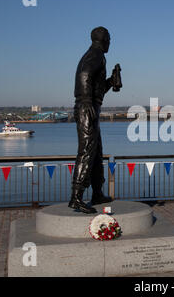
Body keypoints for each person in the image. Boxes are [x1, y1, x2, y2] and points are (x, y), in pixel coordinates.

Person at [69, 26, 122, 214]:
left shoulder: (98, 56)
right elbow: (84, 74)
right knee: (86, 152)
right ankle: (76, 198)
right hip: (87, 108)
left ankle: (97, 192)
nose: (110, 42)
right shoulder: (95, 55)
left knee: (97, 152)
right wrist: (85, 100)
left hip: (91, 107)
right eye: (109, 39)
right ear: (103, 39)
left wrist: (110, 81)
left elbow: (95, 85)